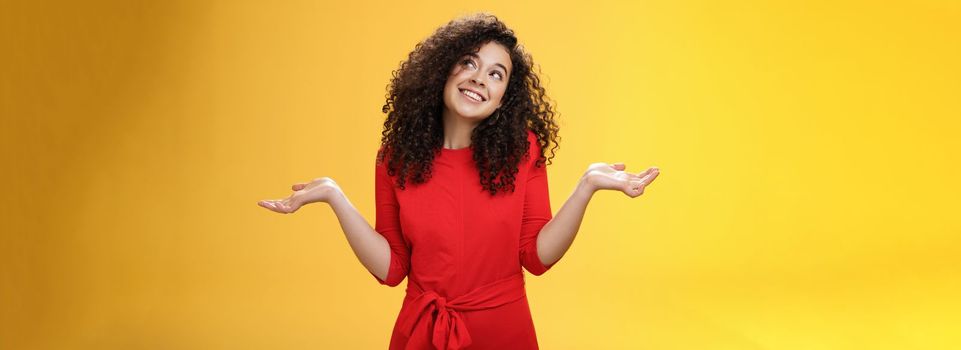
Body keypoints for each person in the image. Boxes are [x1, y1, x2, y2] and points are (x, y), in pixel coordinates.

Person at [258, 13, 660, 350]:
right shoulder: (395, 158)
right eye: (469, 63)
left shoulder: (524, 150)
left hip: (505, 331)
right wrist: (334, 195)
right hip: (422, 333)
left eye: (496, 73)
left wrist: (586, 186)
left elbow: (536, 258)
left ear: (505, 96)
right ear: (443, 68)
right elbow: (393, 269)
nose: (480, 78)